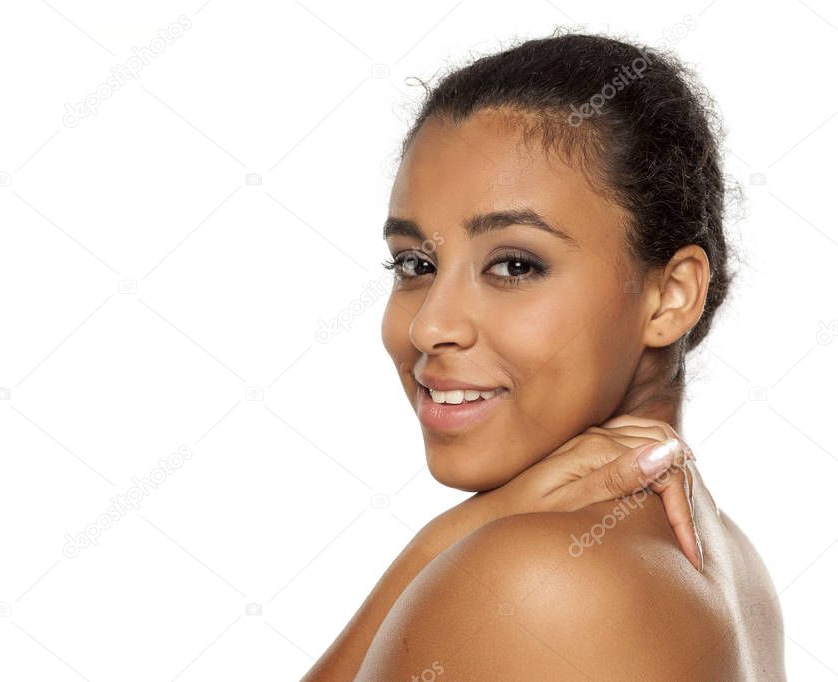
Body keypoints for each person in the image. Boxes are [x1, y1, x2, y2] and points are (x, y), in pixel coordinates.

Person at [302, 31, 784, 680]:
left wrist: (451, 549)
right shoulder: (725, 561)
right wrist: (442, 542)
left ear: (669, 296)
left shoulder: (537, 579)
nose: (427, 325)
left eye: (514, 264)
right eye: (415, 263)